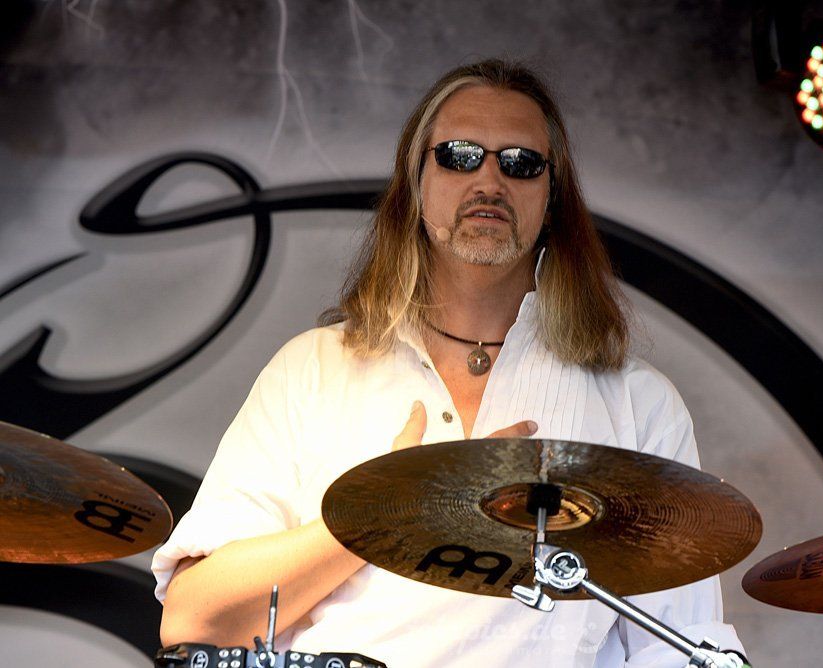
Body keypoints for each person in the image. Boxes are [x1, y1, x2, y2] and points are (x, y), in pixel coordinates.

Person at [153, 59, 744, 667]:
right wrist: (389, 514)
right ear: (415, 183)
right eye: (459, 156)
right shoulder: (311, 367)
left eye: (521, 162)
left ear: (553, 199)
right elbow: (194, 618)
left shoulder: (637, 401)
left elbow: (679, 647)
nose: (489, 179)